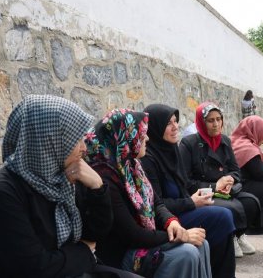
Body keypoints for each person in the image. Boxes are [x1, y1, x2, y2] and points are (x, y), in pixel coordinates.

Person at [0, 95, 134, 278]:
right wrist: (84, 252)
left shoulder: (65, 176)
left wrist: (97, 187)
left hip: (72, 268)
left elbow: (96, 234)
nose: (84, 148)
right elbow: (33, 267)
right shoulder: (3, 191)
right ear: (47, 140)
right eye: (76, 140)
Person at [85, 108, 211, 278]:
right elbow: (133, 235)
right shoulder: (106, 178)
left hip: (142, 242)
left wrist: (170, 222)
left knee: (202, 244)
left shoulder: (132, 166)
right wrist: (181, 235)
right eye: (142, 134)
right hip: (121, 253)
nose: (147, 138)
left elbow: (156, 202)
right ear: (125, 138)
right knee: (187, 253)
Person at [140, 103, 236, 278]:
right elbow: (156, 204)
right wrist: (191, 202)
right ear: (155, 127)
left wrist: (202, 194)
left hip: (182, 209)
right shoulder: (148, 159)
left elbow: (185, 185)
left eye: (176, 121)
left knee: (227, 215)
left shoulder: (171, 150)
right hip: (167, 220)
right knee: (223, 216)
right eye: (168, 123)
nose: (176, 127)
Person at [179, 102, 259, 258]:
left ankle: (238, 234)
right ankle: (229, 237)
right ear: (201, 123)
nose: (216, 124)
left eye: (218, 119)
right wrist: (215, 186)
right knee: (230, 208)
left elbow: (236, 170)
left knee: (252, 202)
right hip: (203, 194)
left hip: (226, 191)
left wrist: (229, 179)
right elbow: (186, 182)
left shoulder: (224, 141)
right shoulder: (189, 144)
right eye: (210, 121)